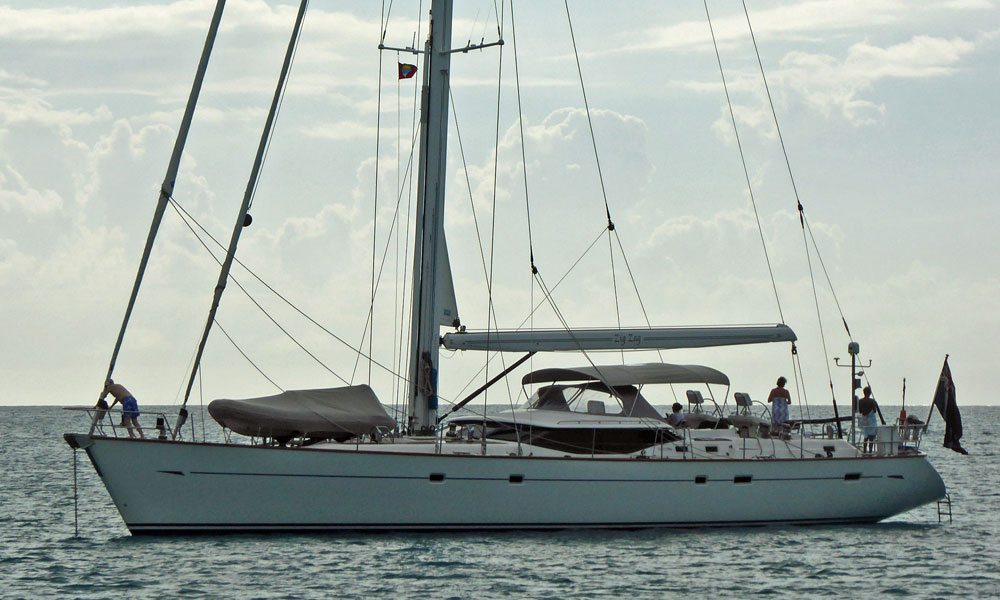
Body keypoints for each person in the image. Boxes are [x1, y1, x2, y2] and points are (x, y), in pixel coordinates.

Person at [858, 386, 878, 452]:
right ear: (869, 393)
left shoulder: (860, 401)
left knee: (865, 437)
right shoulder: (872, 401)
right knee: (871, 437)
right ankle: (870, 451)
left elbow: (860, 411)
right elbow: (874, 411)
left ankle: (864, 450)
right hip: (871, 421)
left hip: (864, 420)